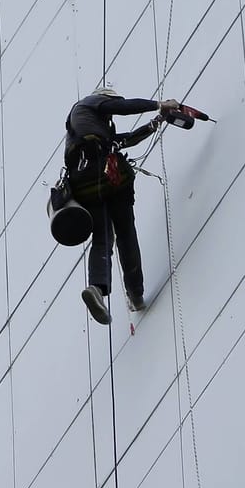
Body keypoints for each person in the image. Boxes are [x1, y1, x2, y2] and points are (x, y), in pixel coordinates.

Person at [64, 85, 181, 324]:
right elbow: (122, 107)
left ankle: (98, 288)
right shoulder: (89, 103)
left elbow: (125, 140)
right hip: (109, 177)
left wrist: (156, 121)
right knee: (127, 233)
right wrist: (159, 104)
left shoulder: (89, 128)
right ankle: (135, 293)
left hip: (85, 184)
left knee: (103, 238)